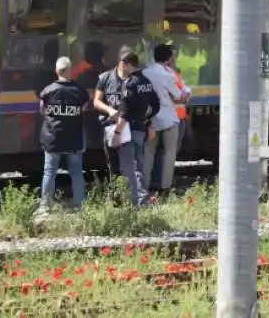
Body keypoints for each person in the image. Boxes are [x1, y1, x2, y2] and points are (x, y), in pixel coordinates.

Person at [92, 48, 160, 207]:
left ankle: (137, 201)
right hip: (112, 126)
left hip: (127, 128)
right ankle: (118, 199)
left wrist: (148, 122)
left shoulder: (132, 83)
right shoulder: (105, 78)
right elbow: (96, 101)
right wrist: (110, 111)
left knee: (134, 166)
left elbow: (134, 109)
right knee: (115, 165)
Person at [37, 57, 89, 214]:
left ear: (56, 71)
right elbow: (84, 108)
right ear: (70, 71)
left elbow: (42, 110)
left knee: (49, 172)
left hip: (52, 139)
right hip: (74, 138)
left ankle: (45, 207)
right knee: (76, 172)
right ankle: (79, 206)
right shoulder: (79, 91)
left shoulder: (47, 91)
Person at [142, 44, 188, 200]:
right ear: (169, 59)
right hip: (168, 118)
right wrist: (186, 93)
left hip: (150, 120)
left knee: (148, 153)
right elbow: (178, 96)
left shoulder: (145, 73)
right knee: (169, 153)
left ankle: (145, 186)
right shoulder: (168, 76)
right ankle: (165, 187)